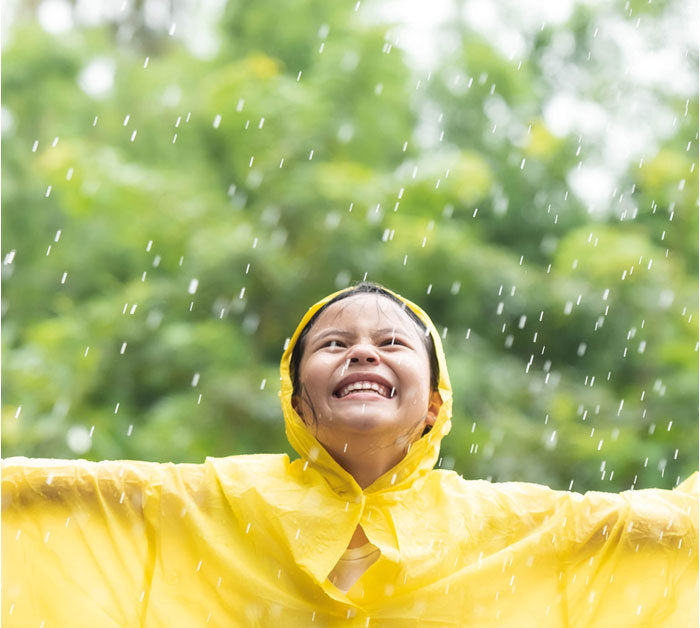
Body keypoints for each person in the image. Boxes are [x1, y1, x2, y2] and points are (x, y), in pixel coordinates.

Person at [2, 282, 697, 627]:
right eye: (334, 344)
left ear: (433, 403)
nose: (363, 348)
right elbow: (47, 498)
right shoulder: (212, 501)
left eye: (392, 343)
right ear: (297, 401)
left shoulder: (505, 522)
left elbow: (672, 530)